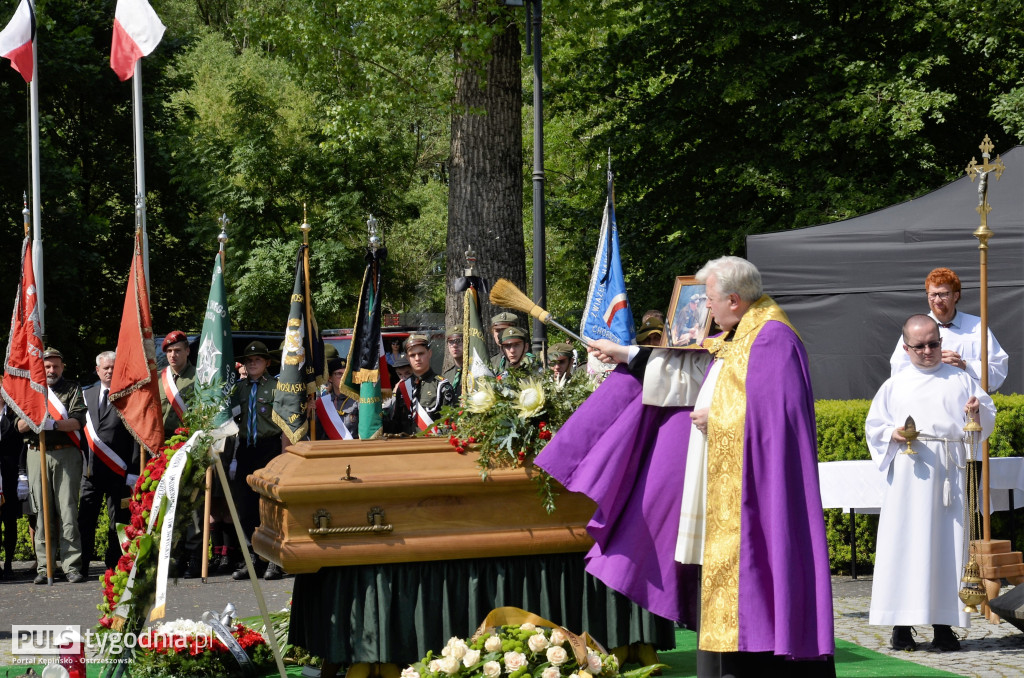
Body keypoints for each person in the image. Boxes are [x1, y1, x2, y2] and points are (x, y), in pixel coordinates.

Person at [572, 256, 835, 676]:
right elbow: (692, 368)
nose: (706, 309)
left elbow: (779, 420)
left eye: (710, 300)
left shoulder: (773, 339)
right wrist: (625, 354)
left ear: (734, 298)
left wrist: (721, 417)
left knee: (757, 583)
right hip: (730, 486)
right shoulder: (738, 334)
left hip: (755, 497)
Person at [867, 314, 995, 652]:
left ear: (942, 342)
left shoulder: (961, 380)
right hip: (910, 474)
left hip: (949, 475)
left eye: (934, 344)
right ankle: (901, 627)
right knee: (906, 546)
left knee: (948, 548)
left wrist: (975, 413)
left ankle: (943, 626)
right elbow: (874, 426)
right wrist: (891, 433)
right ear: (906, 348)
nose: (928, 351)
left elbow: (986, 415)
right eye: (920, 346)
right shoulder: (895, 385)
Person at [19, 347, 87, 584]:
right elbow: (19, 426)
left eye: (55, 366)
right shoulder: (31, 391)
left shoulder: (73, 389)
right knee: (41, 513)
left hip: (65, 454)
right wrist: (35, 421)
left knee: (67, 510)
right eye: (47, 366)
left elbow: (77, 422)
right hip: (36, 454)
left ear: (62, 367)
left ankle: (71, 566)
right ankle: (44, 565)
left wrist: (54, 425)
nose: (51, 370)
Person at [889, 267, 1008, 390]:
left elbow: (998, 370)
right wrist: (927, 366)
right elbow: (898, 372)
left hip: (968, 404)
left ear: (956, 296)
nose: (937, 300)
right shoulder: (916, 328)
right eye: (933, 294)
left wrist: (965, 365)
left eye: (943, 294)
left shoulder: (977, 326)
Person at [77, 351, 139, 577]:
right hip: (90, 471)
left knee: (118, 522)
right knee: (85, 520)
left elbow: (135, 435)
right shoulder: (86, 394)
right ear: (97, 370)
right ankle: (82, 566)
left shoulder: (127, 395)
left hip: (118, 472)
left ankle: (114, 565)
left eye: (114, 367)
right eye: (106, 368)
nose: (110, 371)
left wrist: (133, 470)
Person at [231, 341, 285, 580]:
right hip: (245, 450)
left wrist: (285, 457)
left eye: (258, 360)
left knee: (269, 506)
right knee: (245, 507)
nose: (252, 364)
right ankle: (251, 557)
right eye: (249, 361)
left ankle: (274, 559)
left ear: (267, 363)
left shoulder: (277, 387)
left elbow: (285, 425)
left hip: (269, 450)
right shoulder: (238, 390)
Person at [386, 334, 455, 435]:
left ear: (429, 354)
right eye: (412, 355)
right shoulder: (403, 387)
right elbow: (397, 423)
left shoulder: (442, 386)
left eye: (421, 353)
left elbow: (448, 425)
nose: (417, 358)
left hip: (433, 446)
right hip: (406, 445)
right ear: (407, 358)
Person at [0, 397, 23, 579]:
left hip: (10, 474)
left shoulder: (14, 414)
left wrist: (23, 473)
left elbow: (22, 446)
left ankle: (9, 563)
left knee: (9, 520)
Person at [159, 331, 196, 436]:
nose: (172, 355)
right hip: (160, 440)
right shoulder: (157, 378)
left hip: (186, 441)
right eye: (169, 351)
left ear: (187, 351)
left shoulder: (199, 378)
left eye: (177, 351)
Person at [316, 356, 358, 439]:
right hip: (329, 449)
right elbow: (316, 435)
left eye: (346, 374)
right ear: (330, 378)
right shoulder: (322, 404)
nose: (343, 377)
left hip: (353, 449)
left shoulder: (358, 401)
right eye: (339, 374)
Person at [442, 327, 463, 396]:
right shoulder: (447, 376)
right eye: (451, 342)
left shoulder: (475, 371)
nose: (454, 345)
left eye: (459, 341)